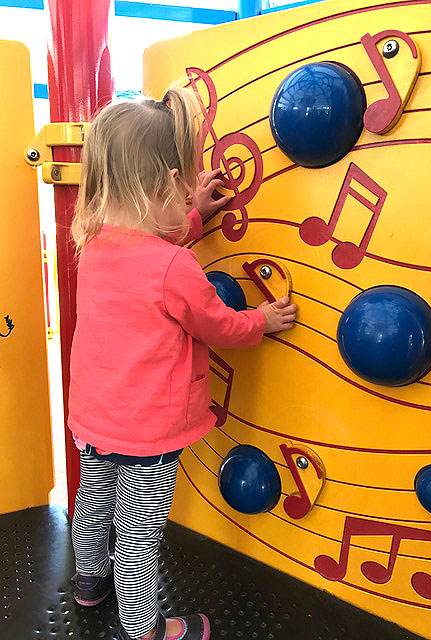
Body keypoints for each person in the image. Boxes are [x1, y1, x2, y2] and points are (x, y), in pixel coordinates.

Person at [68, 88, 297, 640]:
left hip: (95, 416)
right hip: (149, 426)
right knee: (139, 531)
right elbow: (218, 324)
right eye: (181, 183)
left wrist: (195, 214)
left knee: (95, 498)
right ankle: (144, 626)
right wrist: (261, 322)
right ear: (163, 186)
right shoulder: (175, 267)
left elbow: (148, 250)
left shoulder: (95, 243)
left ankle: (87, 581)